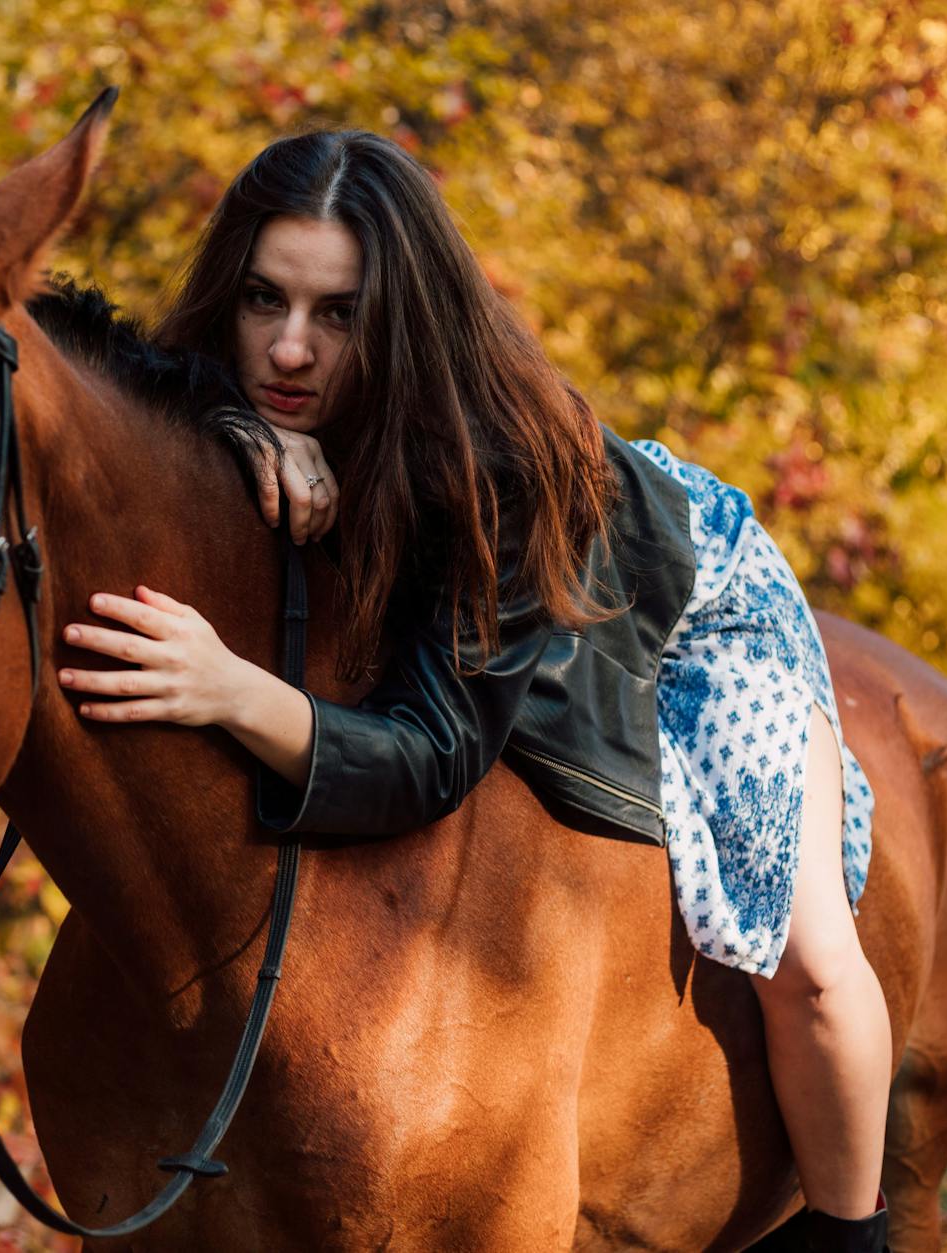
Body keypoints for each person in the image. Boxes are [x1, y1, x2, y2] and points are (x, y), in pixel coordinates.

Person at [53, 130, 890, 1252]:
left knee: (803, 957)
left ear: (398, 319)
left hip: (684, 595)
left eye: (338, 314)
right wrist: (231, 425)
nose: (288, 350)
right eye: (265, 299)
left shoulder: (487, 461)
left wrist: (226, 687)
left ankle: (850, 1231)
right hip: (480, 611)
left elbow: (433, 754)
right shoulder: (229, 389)